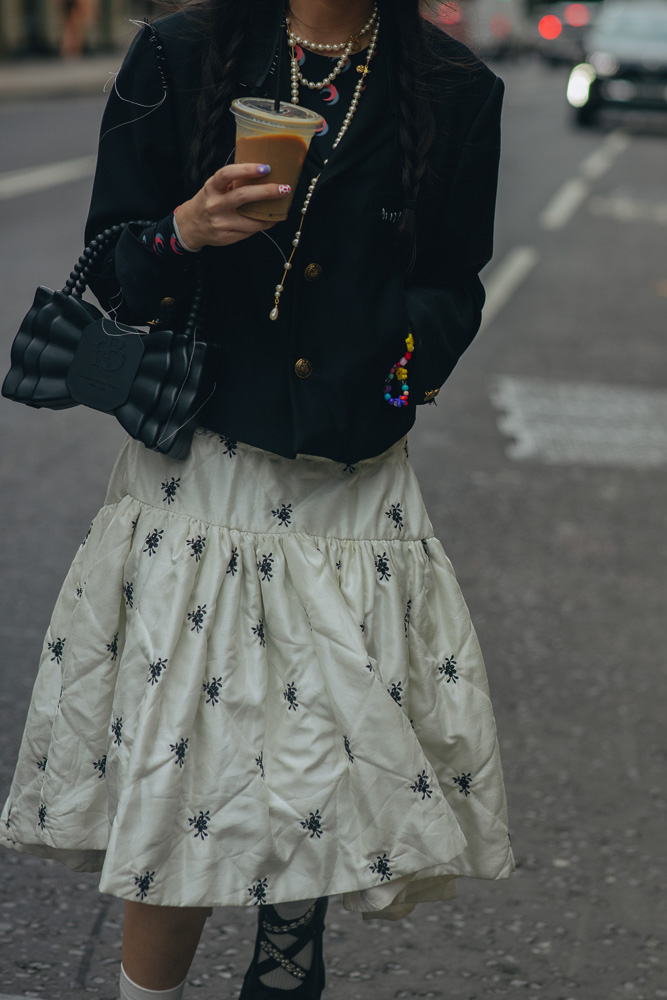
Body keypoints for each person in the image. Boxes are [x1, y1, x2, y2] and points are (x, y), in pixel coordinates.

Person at [0, 1, 514, 998]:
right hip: (205, 471)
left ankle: (287, 955)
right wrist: (185, 231)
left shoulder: (457, 91)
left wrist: (392, 378)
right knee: (181, 765)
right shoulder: (178, 55)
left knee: (319, 731)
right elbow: (113, 269)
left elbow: (452, 285)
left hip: (349, 480)